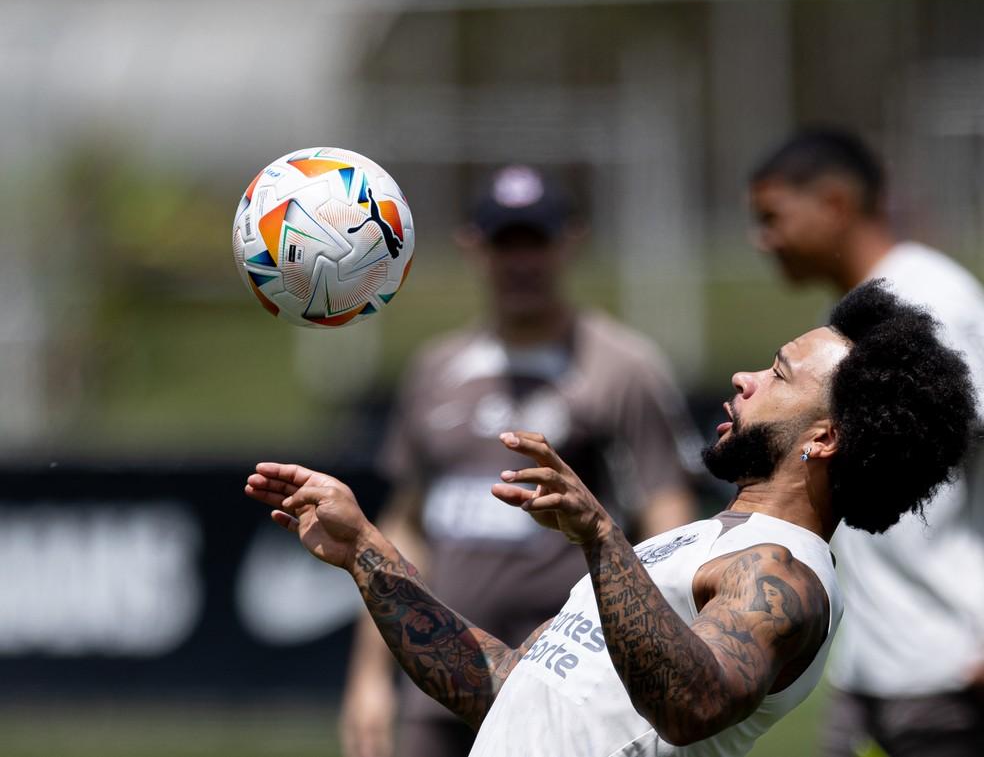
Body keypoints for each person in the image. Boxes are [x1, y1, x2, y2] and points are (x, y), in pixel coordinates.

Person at [246, 280, 975, 756]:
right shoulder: (702, 541)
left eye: (779, 374)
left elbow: (691, 705)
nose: (744, 378)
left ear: (825, 438)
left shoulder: (783, 572)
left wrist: (600, 536)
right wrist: (366, 553)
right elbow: (505, 687)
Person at [339, 164, 701, 757]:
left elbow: (669, 515)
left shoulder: (621, 367)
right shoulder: (435, 369)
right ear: (472, 247)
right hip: (437, 674)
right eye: (506, 242)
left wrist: (666, 656)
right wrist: (369, 679)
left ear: (570, 242)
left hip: (571, 686)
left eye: (536, 240)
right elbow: (408, 523)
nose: (522, 261)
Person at [749, 127, 984, 755]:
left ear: (833, 205)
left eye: (772, 217)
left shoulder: (928, 301)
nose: (761, 239)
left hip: (949, 669)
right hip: (876, 668)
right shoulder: (870, 307)